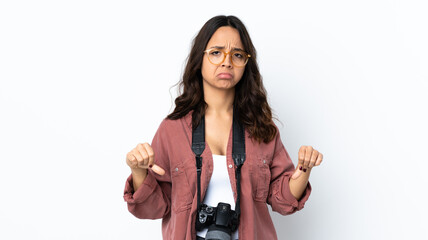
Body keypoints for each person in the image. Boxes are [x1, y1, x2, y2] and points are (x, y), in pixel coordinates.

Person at [123, 15, 323, 240]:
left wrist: (304, 170)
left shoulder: (262, 130)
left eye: (237, 55)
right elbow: (153, 208)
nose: (227, 62)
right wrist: (139, 171)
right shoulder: (173, 129)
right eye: (216, 52)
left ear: (246, 64)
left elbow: (283, 202)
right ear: (200, 59)